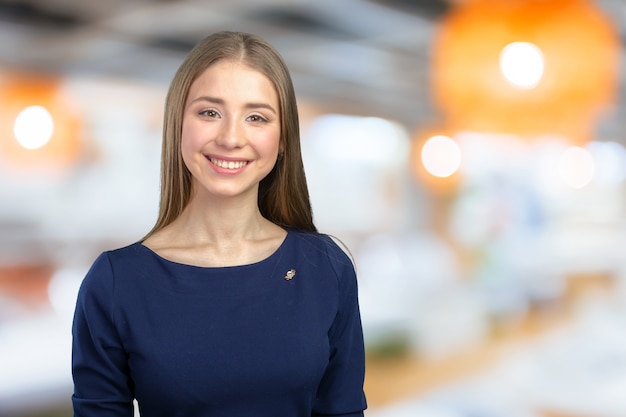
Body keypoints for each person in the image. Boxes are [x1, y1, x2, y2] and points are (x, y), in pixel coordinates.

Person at [71, 31, 367, 417]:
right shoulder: (115, 283)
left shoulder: (326, 267)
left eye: (256, 117)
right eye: (210, 112)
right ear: (179, 124)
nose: (231, 137)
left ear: (282, 141)